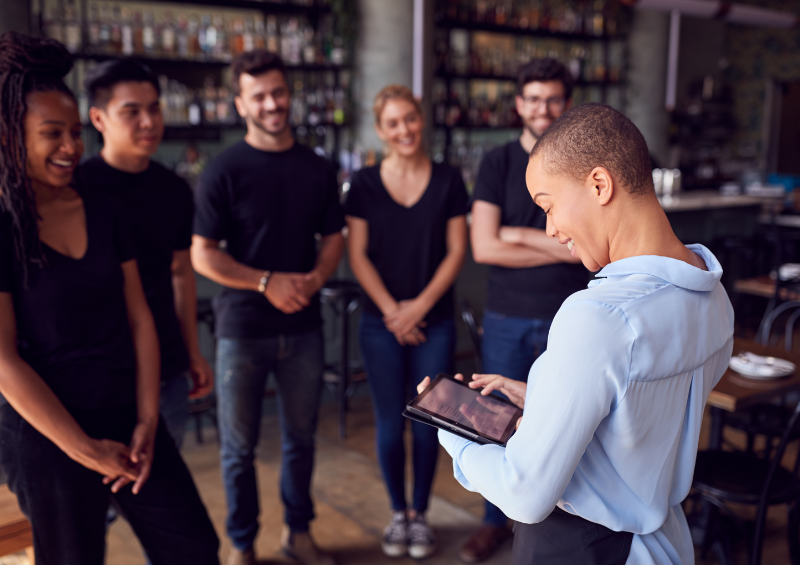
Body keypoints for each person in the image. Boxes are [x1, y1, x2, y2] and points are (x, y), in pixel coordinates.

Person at [420, 102, 734, 564]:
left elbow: (525, 492)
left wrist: (452, 429)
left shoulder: (599, 316)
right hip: (664, 544)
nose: (551, 230)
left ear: (599, 185)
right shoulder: (713, 295)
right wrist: (550, 398)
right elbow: (643, 413)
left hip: (581, 549)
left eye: (548, 206)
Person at [0, 32, 219, 565]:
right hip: (47, 435)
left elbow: (139, 318)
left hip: (127, 415)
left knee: (193, 547)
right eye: (52, 134)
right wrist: (84, 448)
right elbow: (2, 359)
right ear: (10, 136)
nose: (71, 147)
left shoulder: (102, 209)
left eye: (75, 132)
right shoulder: (4, 225)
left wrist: (146, 420)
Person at [191, 50, 344, 565]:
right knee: (238, 450)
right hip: (241, 329)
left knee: (300, 441)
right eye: (259, 95)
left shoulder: (316, 167)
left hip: (302, 326)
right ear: (241, 104)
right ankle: (242, 545)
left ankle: (297, 534)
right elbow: (203, 254)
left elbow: (333, 238)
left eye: (278, 92)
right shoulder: (224, 169)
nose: (272, 103)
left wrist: (316, 278)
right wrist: (266, 283)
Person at [461, 57, 588, 563]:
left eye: (553, 99)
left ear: (566, 104)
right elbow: (485, 248)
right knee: (497, 419)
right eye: (533, 99)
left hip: (570, 315)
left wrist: (516, 233)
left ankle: (556, 519)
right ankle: (496, 522)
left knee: (563, 419)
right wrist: (552, 243)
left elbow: (582, 250)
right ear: (518, 105)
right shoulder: (497, 164)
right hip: (509, 314)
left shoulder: (579, 167)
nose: (543, 108)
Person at [345, 85, 468, 559]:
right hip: (381, 324)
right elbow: (357, 255)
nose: (404, 130)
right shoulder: (364, 184)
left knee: (427, 423)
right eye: (393, 123)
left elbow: (457, 251)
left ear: (422, 120)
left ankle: (421, 516)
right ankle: (398, 513)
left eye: (410, 119)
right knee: (388, 423)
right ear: (380, 130)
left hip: (433, 321)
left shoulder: (448, 180)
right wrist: (394, 312)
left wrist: (416, 308)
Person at [80, 59, 213, 451]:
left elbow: (180, 274)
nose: (148, 122)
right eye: (131, 112)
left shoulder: (172, 189)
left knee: (161, 482)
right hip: (99, 368)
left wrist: (192, 351)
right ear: (98, 118)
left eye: (154, 108)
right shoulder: (79, 188)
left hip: (165, 365)